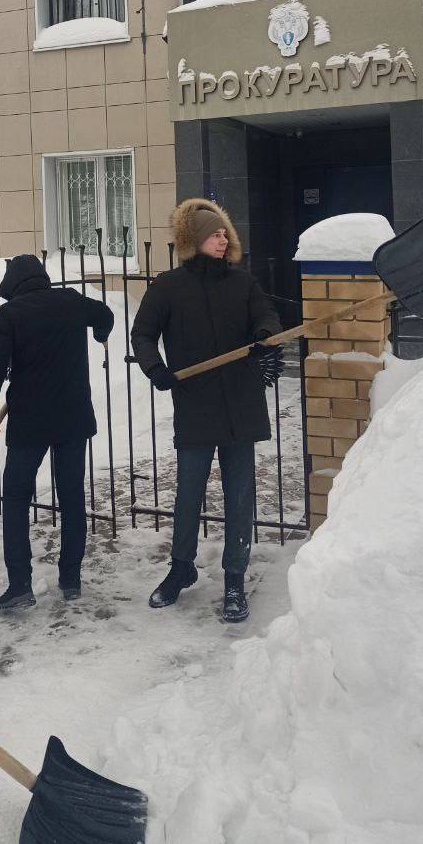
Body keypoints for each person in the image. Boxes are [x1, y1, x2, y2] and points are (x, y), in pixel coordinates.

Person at [130, 199, 283, 623]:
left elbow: (266, 315)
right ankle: (181, 568)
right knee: (189, 493)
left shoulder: (243, 283)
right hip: (196, 401)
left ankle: (235, 577)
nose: (223, 239)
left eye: (224, 234)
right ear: (195, 240)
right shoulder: (168, 287)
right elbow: (142, 333)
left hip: (239, 400)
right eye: (214, 234)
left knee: (239, 495)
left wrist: (265, 334)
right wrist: (155, 368)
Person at [0, 254, 114, 611]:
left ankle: (20, 584)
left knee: (17, 499)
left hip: (30, 421)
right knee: (71, 497)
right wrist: (99, 334)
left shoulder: (10, 315)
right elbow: (106, 316)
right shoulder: (70, 301)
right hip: (72, 418)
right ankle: (70, 578)